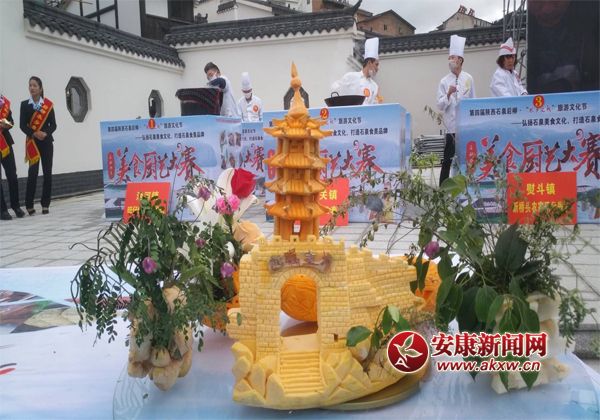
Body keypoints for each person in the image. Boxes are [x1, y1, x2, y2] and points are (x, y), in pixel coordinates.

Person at [436, 35, 475, 186]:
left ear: (460, 60)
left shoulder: (469, 78)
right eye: (449, 57)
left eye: (453, 57)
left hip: (466, 126)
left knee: (466, 158)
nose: (450, 60)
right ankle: (443, 188)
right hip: (451, 127)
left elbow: (473, 101)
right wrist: (448, 94)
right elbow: (439, 105)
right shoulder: (444, 81)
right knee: (447, 159)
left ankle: (467, 185)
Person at [20, 76, 56, 215]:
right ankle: (29, 204)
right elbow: (22, 125)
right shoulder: (24, 105)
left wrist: (45, 133)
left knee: (47, 173)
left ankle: (45, 204)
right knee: (32, 173)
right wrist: (34, 133)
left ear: (40, 88)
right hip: (32, 143)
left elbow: (53, 124)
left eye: (35, 85)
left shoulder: (48, 105)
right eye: (30, 85)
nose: (32, 88)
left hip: (46, 142)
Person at [330, 37, 382, 105]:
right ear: (369, 63)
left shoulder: (375, 86)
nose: (377, 68)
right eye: (376, 64)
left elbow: (375, 106)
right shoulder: (351, 76)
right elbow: (335, 88)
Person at [0, 93, 25, 220]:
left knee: (12, 175)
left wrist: (6, 124)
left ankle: (16, 206)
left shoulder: (3, 102)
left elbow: (11, 122)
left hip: (5, 143)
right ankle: (2, 210)